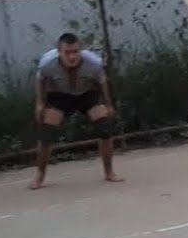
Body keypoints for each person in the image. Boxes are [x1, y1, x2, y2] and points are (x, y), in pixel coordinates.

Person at [32, 33, 123, 189]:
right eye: (67, 52)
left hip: (86, 94)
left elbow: (102, 81)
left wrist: (108, 104)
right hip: (60, 95)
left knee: (104, 126)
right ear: (59, 51)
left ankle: (109, 172)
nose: (72, 57)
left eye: (75, 52)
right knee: (46, 131)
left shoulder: (93, 63)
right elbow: (40, 80)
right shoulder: (47, 64)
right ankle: (40, 175)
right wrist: (40, 103)